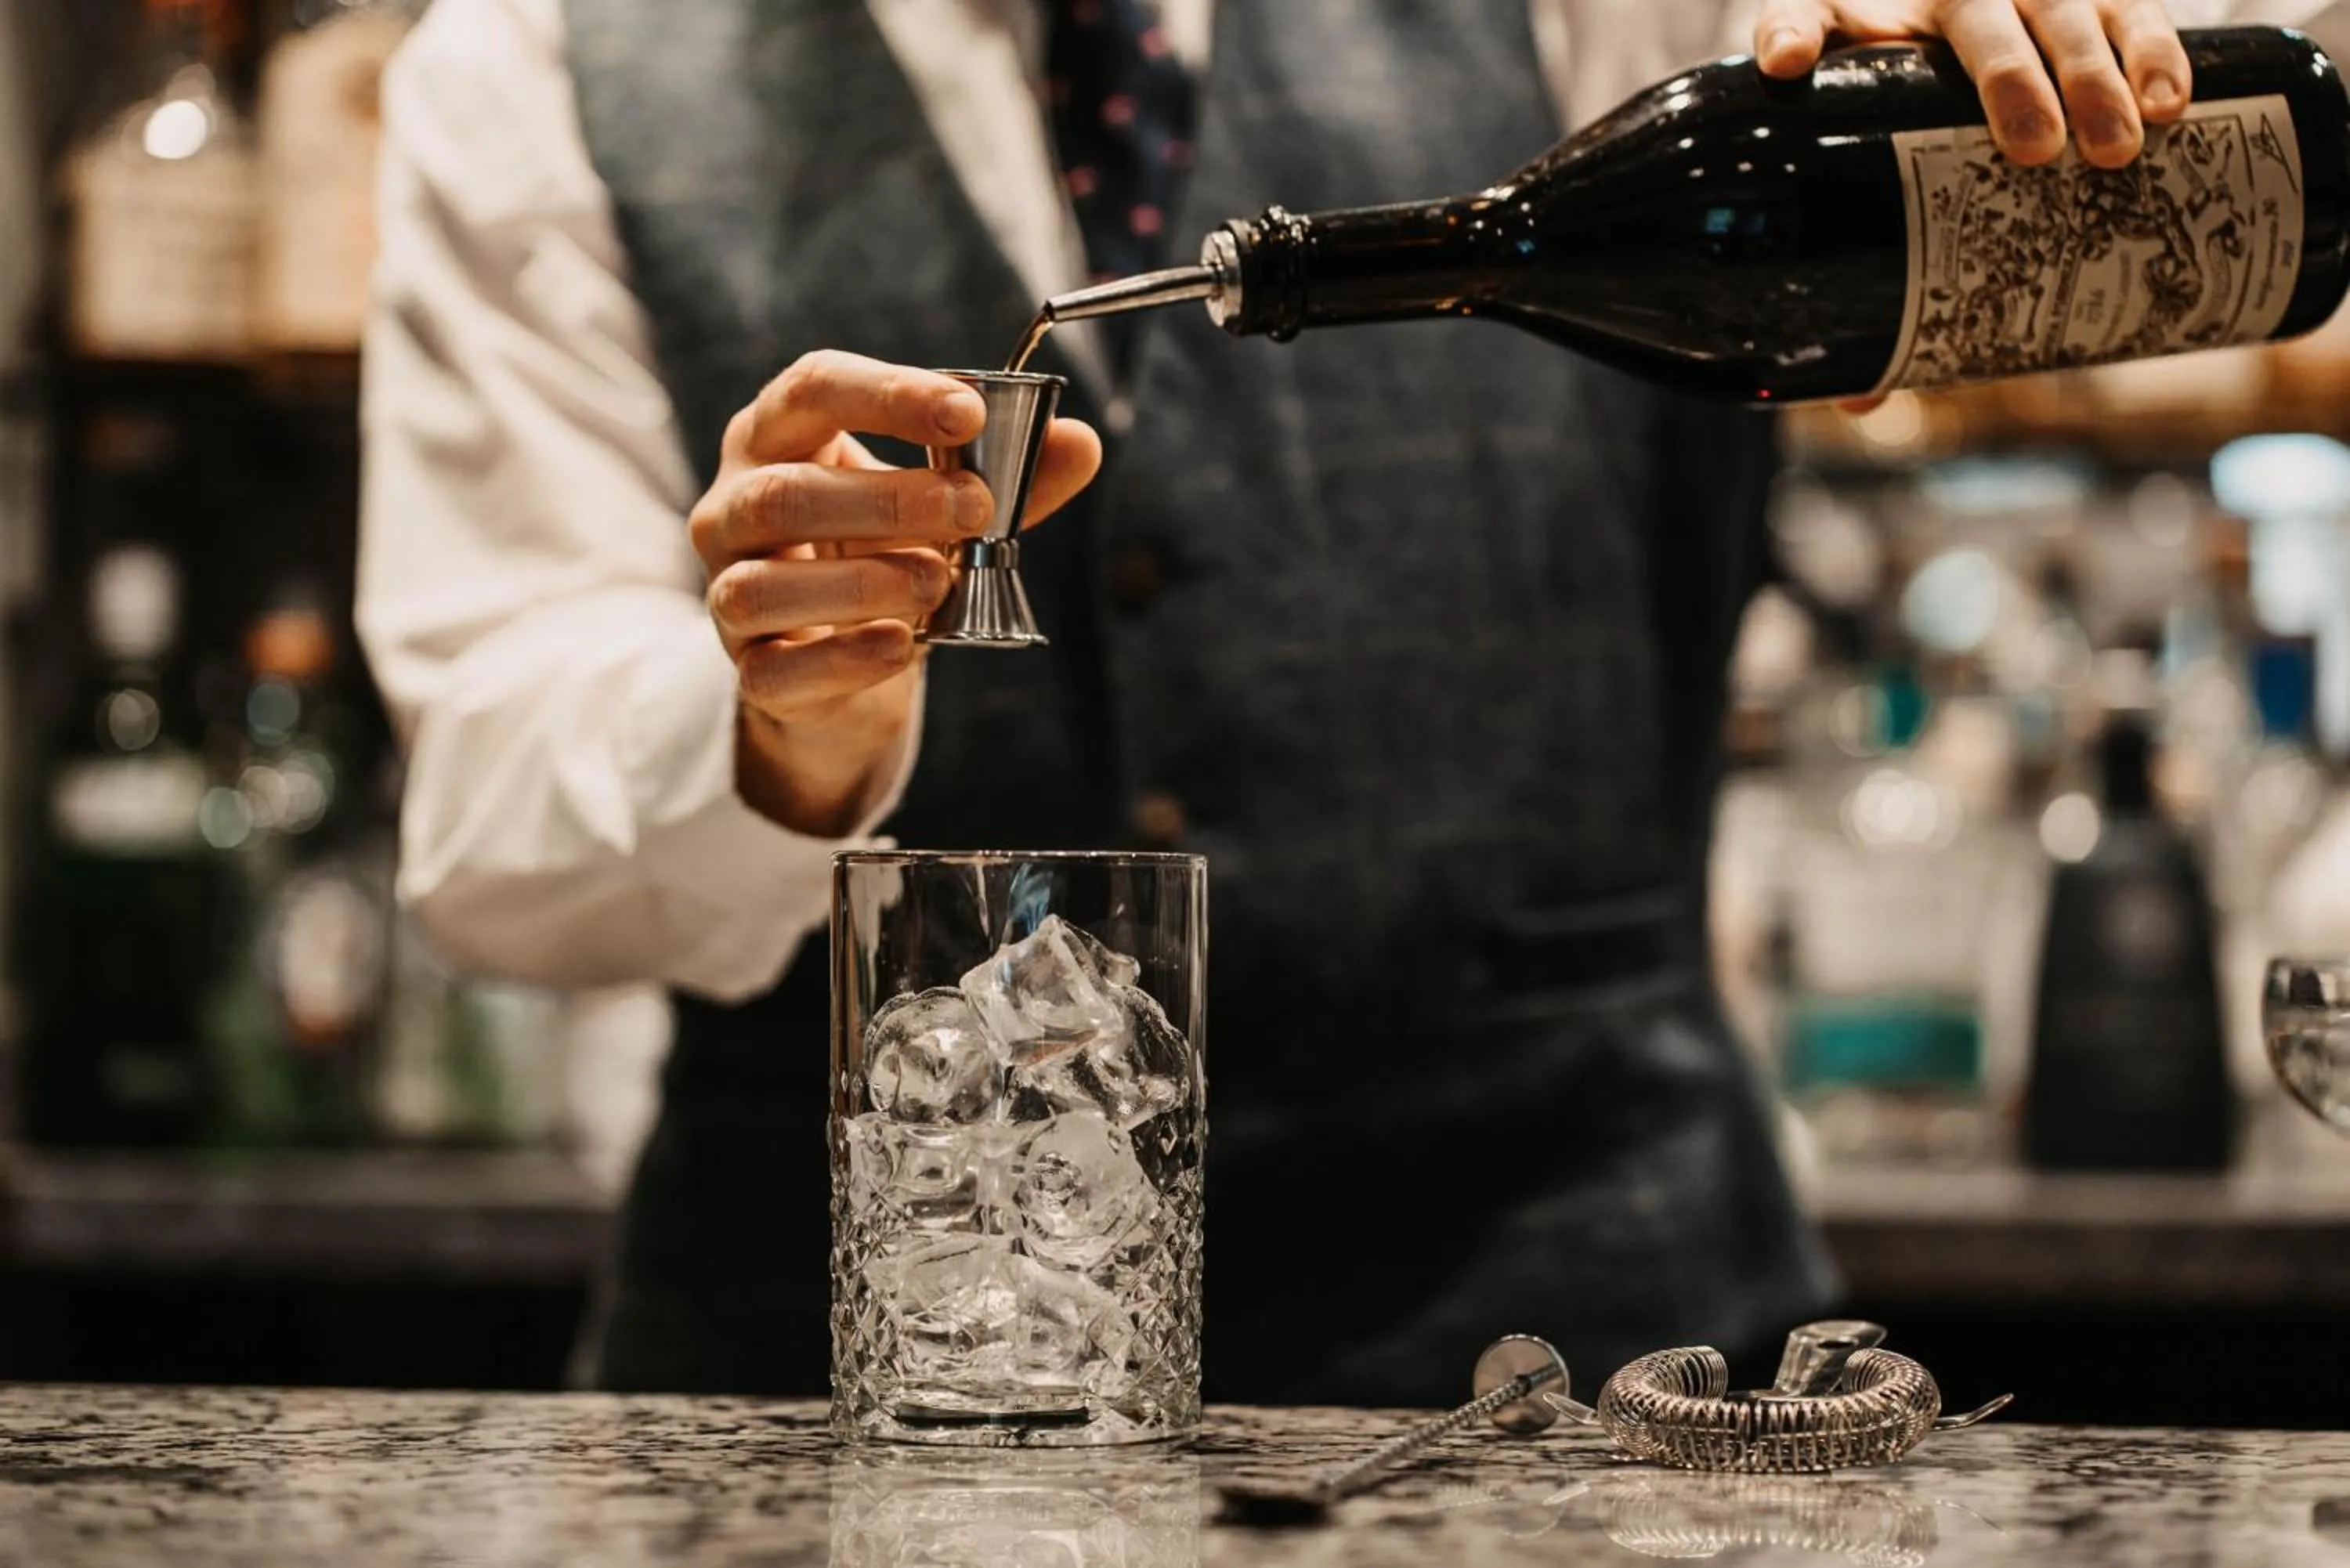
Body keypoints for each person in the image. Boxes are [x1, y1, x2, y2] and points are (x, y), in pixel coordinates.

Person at [360, 0, 2298, 1403]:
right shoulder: (532, 67)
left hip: (1594, 1379)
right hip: (861, 1401)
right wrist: (790, 731)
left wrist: (2019, 51)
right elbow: (483, 815)